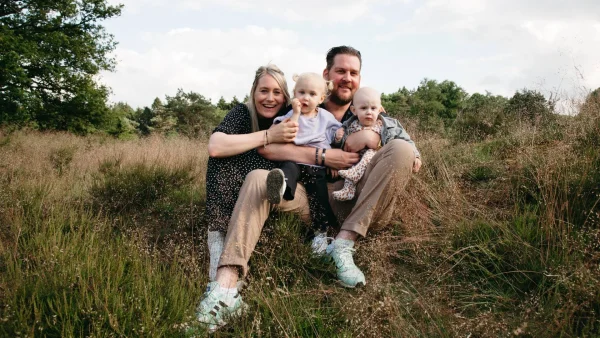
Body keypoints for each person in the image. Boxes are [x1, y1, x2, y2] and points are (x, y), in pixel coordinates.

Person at [192, 46, 423, 332]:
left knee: (400, 148)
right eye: (340, 71)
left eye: (353, 73)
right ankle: (225, 288)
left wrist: (374, 139)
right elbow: (269, 147)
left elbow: (407, 151)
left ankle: (343, 243)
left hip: (359, 202)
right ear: (327, 76)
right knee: (257, 178)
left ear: (360, 79)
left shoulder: (372, 113)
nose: (347, 78)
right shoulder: (307, 105)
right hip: (311, 198)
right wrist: (323, 157)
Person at [203, 64, 299, 282]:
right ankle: (218, 237)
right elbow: (215, 146)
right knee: (220, 158)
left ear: (285, 97)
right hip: (238, 191)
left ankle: (231, 266)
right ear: (254, 92)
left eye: (277, 92)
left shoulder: (292, 116)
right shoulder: (243, 112)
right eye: (263, 91)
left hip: (276, 188)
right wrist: (269, 135)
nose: (270, 98)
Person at [266, 72, 341, 254]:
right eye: (301, 92)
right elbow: (287, 133)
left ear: (321, 98)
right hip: (294, 158)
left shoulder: (325, 117)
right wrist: (296, 113)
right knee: (288, 168)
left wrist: (336, 144)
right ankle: (280, 186)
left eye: (312, 94)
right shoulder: (291, 114)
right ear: (294, 94)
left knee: (319, 196)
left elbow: (337, 135)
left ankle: (320, 235)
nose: (306, 98)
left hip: (316, 166)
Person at [332, 87, 420, 201]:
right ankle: (348, 190)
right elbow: (341, 146)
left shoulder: (389, 125)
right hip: (353, 163)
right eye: (363, 108)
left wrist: (416, 155)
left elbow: (405, 140)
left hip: (376, 165)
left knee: (370, 152)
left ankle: (355, 175)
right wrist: (338, 139)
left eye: (373, 108)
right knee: (351, 169)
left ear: (379, 109)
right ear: (354, 110)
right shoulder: (349, 125)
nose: (369, 112)